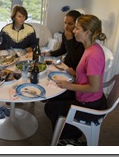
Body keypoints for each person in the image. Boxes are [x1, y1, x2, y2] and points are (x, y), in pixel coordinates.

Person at [44, 14, 107, 144]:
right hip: (85, 97)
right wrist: (75, 74)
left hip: (91, 105)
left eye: (77, 28)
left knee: (50, 108)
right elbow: (88, 77)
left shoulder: (93, 55)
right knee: (53, 97)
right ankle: (66, 131)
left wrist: (69, 85)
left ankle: (68, 138)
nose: (73, 31)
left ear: (87, 32)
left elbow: (94, 87)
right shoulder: (89, 48)